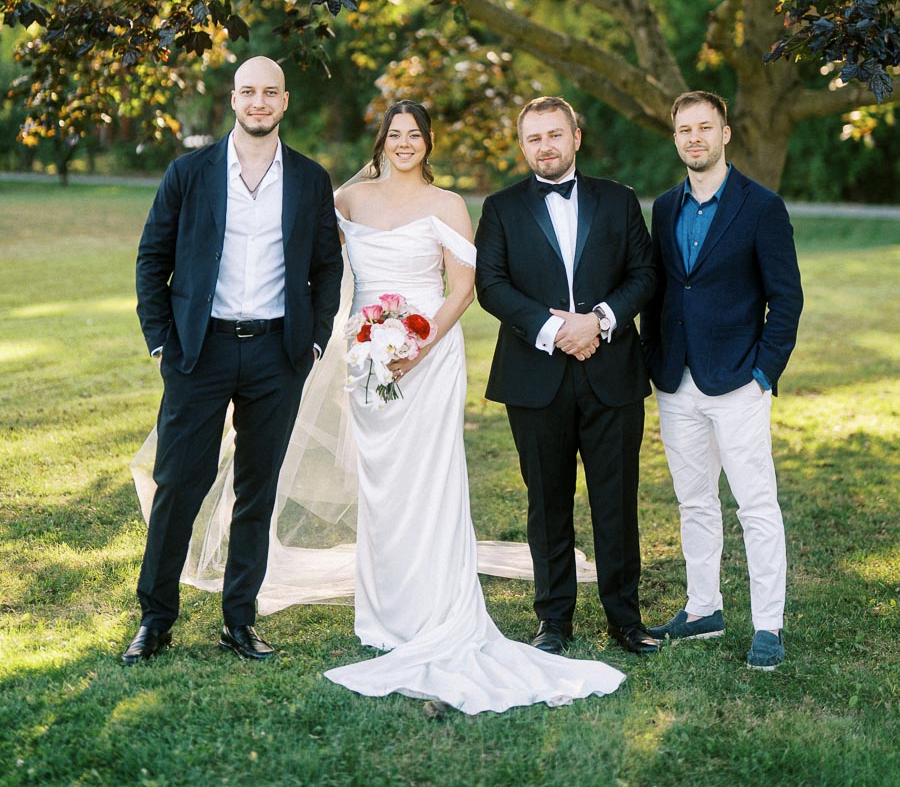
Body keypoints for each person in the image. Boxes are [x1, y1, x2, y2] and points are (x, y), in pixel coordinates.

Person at [131, 99, 628, 713]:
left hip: (429, 358)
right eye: (395, 134)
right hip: (365, 359)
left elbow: (466, 288)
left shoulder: (448, 206)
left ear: (428, 142)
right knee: (381, 486)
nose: (404, 143)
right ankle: (382, 611)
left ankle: (434, 604)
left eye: (414, 135)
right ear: (381, 141)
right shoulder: (344, 199)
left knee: (430, 481)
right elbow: (304, 257)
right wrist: (333, 334)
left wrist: (418, 346)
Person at [123, 55, 343, 665]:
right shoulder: (189, 172)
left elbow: (328, 267)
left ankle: (239, 621)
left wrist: (315, 341)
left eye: (270, 92)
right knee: (178, 485)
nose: (258, 103)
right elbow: (151, 260)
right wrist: (163, 342)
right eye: (248, 91)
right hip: (200, 351)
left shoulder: (308, 179)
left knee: (257, 489)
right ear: (233, 99)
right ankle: (155, 619)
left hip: (278, 352)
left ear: (285, 101)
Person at [475, 96, 660, 658]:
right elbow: (492, 285)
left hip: (612, 373)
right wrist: (552, 331)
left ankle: (624, 619)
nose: (545, 147)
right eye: (533, 138)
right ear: (523, 144)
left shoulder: (619, 200)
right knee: (547, 503)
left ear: (576, 137)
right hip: (535, 376)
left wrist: (599, 321)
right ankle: (553, 619)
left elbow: (645, 272)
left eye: (554, 134)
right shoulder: (501, 207)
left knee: (616, 500)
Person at [640, 91, 803, 671]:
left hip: (738, 380)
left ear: (726, 133)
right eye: (684, 130)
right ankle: (704, 608)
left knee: (756, 504)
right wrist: (655, 359)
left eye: (704, 127)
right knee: (694, 501)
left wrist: (764, 373)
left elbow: (786, 299)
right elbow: (659, 290)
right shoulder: (663, 207)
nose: (694, 138)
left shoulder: (761, 207)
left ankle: (768, 624)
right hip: (676, 379)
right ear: (676, 138)